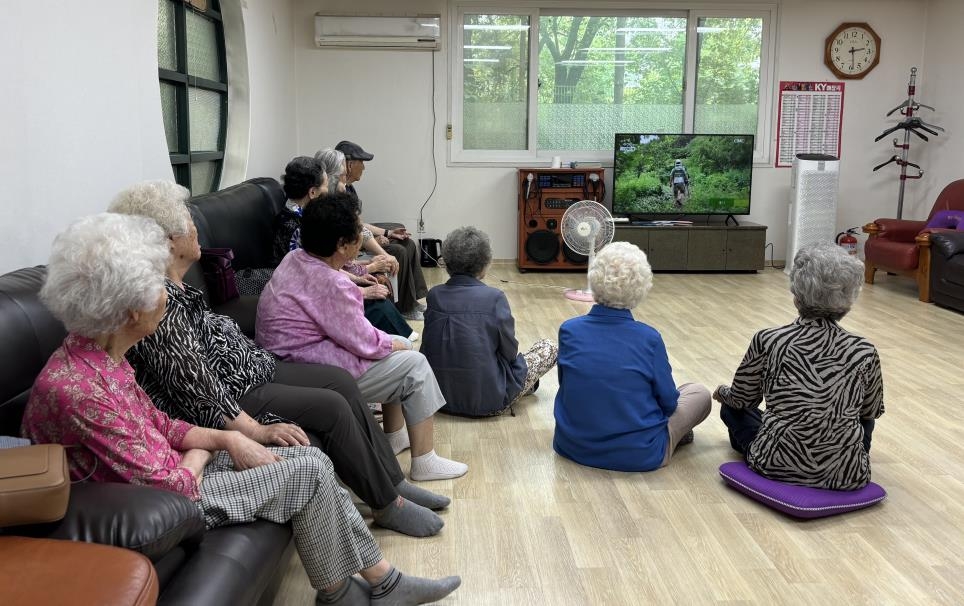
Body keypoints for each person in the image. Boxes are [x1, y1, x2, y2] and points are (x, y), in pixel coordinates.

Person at [21, 212, 460, 605]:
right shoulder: (79, 390)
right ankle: (368, 586)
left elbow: (162, 423)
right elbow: (171, 484)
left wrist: (225, 438)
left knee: (311, 457)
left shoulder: (101, 354)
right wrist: (216, 444)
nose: (165, 295)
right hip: (152, 501)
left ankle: (356, 587)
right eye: (155, 289)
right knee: (308, 469)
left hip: (167, 469)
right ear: (128, 310)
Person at [109, 181, 448, 537]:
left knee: (342, 382)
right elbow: (200, 392)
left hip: (256, 368)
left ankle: (393, 481)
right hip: (237, 394)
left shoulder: (179, 288)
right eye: (186, 221)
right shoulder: (157, 306)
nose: (195, 228)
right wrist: (255, 430)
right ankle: (385, 504)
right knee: (331, 406)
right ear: (167, 241)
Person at [256, 193, 468, 482]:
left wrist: (389, 339)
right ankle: (425, 461)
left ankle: (394, 436)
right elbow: (365, 343)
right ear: (342, 244)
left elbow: (346, 320)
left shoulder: (296, 258)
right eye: (359, 233)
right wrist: (399, 343)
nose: (364, 237)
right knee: (413, 363)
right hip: (312, 369)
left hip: (287, 361)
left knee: (393, 345)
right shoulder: (332, 284)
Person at [714, 242, 884, 490]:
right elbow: (870, 413)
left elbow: (742, 401)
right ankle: (837, 458)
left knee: (731, 410)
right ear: (849, 298)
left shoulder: (770, 339)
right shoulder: (864, 350)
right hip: (849, 474)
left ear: (796, 295)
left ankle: (779, 454)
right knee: (863, 419)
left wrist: (722, 392)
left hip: (773, 463)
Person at [553, 241, 711, 472]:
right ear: (642, 286)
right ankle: (673, 437)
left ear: (594, 279)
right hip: (639, 454)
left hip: (572, 446)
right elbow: (668, 403)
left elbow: (566, 385)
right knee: (699, 393)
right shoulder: (649, 338)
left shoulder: (569, 329)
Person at [421, 226, 558, 417]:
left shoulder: (434, 295)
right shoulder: (494, 298)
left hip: (438, 397)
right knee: (549, 346)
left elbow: (428, 345)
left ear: (448, 262)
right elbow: (509, 352)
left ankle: (523, 386)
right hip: (489, 400)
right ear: (484, 264)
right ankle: (524, 387)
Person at [279, 156, 414, 340]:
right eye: (325, 186)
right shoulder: (301, 227)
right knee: (377, 303)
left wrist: (359, 274)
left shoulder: (300, 216)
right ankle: (401, 342)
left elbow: (325, 267)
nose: (328, 190)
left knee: (377, 295)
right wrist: (363, 283)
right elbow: (318, 277)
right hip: (312, 302)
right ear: (312, 192)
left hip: (321, 287)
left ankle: (402, 339)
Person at [335, 140, 429, 321]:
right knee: (398, 251)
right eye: (361, 162)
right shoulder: (336, 193)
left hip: (358, 238)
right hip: (352, 246)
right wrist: (371, 246)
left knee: (405, 241)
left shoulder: (349, 188)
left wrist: (387, 233)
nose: (364, 167)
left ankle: (413, 301)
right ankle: (404, 308)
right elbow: (353, 232)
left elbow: (359, 223)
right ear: (349, 164)